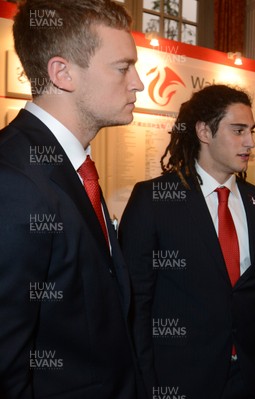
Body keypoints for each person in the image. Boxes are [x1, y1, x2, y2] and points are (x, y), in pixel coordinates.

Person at [0, 0, 144, 398]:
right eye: (122, 67)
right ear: (62, 73)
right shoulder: (13, 181)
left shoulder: (71, 168)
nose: (138, 83)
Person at [119, 85, 255, 399]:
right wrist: (145, 381)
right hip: (178, 378)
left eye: (251, 131)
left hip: (249, 375)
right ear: (204, 131)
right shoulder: (153, 199)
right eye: (238, 130)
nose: (250, 142)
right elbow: (135, 302)